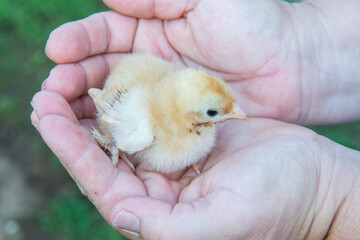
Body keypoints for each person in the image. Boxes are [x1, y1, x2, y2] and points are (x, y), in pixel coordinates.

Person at [30, 0, 360, 239]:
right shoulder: (141, 126)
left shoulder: (182, 103)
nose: (237, 115)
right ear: (190, 118)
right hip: (133, 107)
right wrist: (111, 141)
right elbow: (115, 101)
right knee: (127, 136)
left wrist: (329, 202)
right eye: (218, 113)